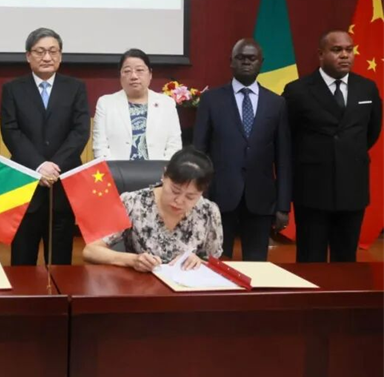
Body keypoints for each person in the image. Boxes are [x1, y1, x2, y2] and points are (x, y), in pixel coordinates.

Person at [283, 30, 382, 263]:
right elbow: (288, 137)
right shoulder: (297, 90)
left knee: (346, 261)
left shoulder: (367, 88)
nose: (345, 55)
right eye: (337, 50)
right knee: (310, 260)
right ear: (321, 54)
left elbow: (371, 132)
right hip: (312, 190)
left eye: (349, 50)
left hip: (352, 187)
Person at [193, 39, 291, 261]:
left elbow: (284, 158)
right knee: (217, 262)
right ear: (231, 62)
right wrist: (199, 196)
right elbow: (199, 151)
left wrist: (283, 205)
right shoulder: (211, 100)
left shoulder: (276, 103)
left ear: (261, 63)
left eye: (252, 58)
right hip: (219, 198)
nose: (246, 62)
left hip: (261, 199)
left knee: (257, 266)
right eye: (241, 58)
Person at [0, 28, 90, 266]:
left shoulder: (76, 87)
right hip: (25, 184)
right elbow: (10, 131)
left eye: (53, 51)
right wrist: (39, 166)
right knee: (22, 262)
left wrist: (54, 166)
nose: (47, 57)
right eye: (40, 51)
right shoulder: (12, 89)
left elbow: (80, 131)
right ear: (28, 56)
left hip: (63, 183)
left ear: (60, 55)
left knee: (60, 264)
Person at [82, 147, 223, 271]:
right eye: (175, 190)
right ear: (164, 175)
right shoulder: (132, 202)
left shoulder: (208, 212)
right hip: (140, 286)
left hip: (185, 288)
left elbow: (214, 261)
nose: (179, 201)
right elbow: (91, 251)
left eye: (190, 197)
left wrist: (199, 261)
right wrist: (133, 260)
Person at [93, 48, 181, 160]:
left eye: (139, 70)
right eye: (127, 71)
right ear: (120, 75)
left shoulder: (167, 104)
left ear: (150, 74)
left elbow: (174, 146)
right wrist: (113, 170)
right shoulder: (105, 104)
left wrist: (164, 169)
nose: (134, 76)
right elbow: (100, 147)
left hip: (159, 169)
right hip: (116, 169)